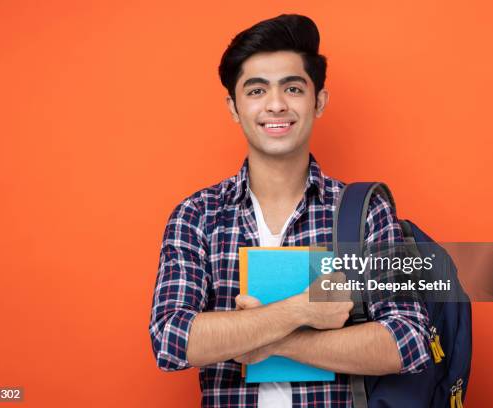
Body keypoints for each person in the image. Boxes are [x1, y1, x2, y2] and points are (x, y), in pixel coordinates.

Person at [150, 14, 431, 408]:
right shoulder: (197, 216)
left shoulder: (365, 211)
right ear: (233, 107)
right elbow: (171, 339)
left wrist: (274, 341)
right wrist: (301, 309)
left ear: (319, 101)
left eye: (293, 88)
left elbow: (409, 340)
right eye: (256, 91)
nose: (276, 105)